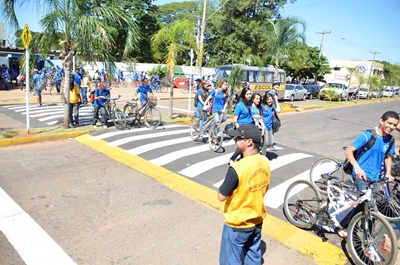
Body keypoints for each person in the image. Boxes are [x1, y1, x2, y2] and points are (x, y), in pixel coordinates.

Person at [338, 111, 399, 238]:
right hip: (361, 174)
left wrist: (388, 173)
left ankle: (346, 225)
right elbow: (349, 151)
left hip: (374, 177)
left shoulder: (391, 140)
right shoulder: (368, 135)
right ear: (381, 121)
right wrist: (357, 167)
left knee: (365, 204)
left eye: (394, 125)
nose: (391, 127)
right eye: (389, 123)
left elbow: (388, 156)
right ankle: (365, 238)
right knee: (368, 204)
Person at [218, 124, 271, 265]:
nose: (235, 140)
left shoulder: (237, 168)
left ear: (249, 142)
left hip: (238, 223)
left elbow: (221, 196)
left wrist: (231, 170)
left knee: (231, 259)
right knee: (253, 256)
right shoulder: (265, 161)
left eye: (238, 137)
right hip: (257, 219)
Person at [229, 86, 253, 164]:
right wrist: (239, 129)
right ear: (243, 95)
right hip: (242, 128)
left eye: (250, 94)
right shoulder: (240, 105)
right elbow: (235, 118)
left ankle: (243, 160)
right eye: (247, 94)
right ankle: (232, 159)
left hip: (250, 127)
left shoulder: (250, 103)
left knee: (248, 145)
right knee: (243, 145)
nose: (249, 95)